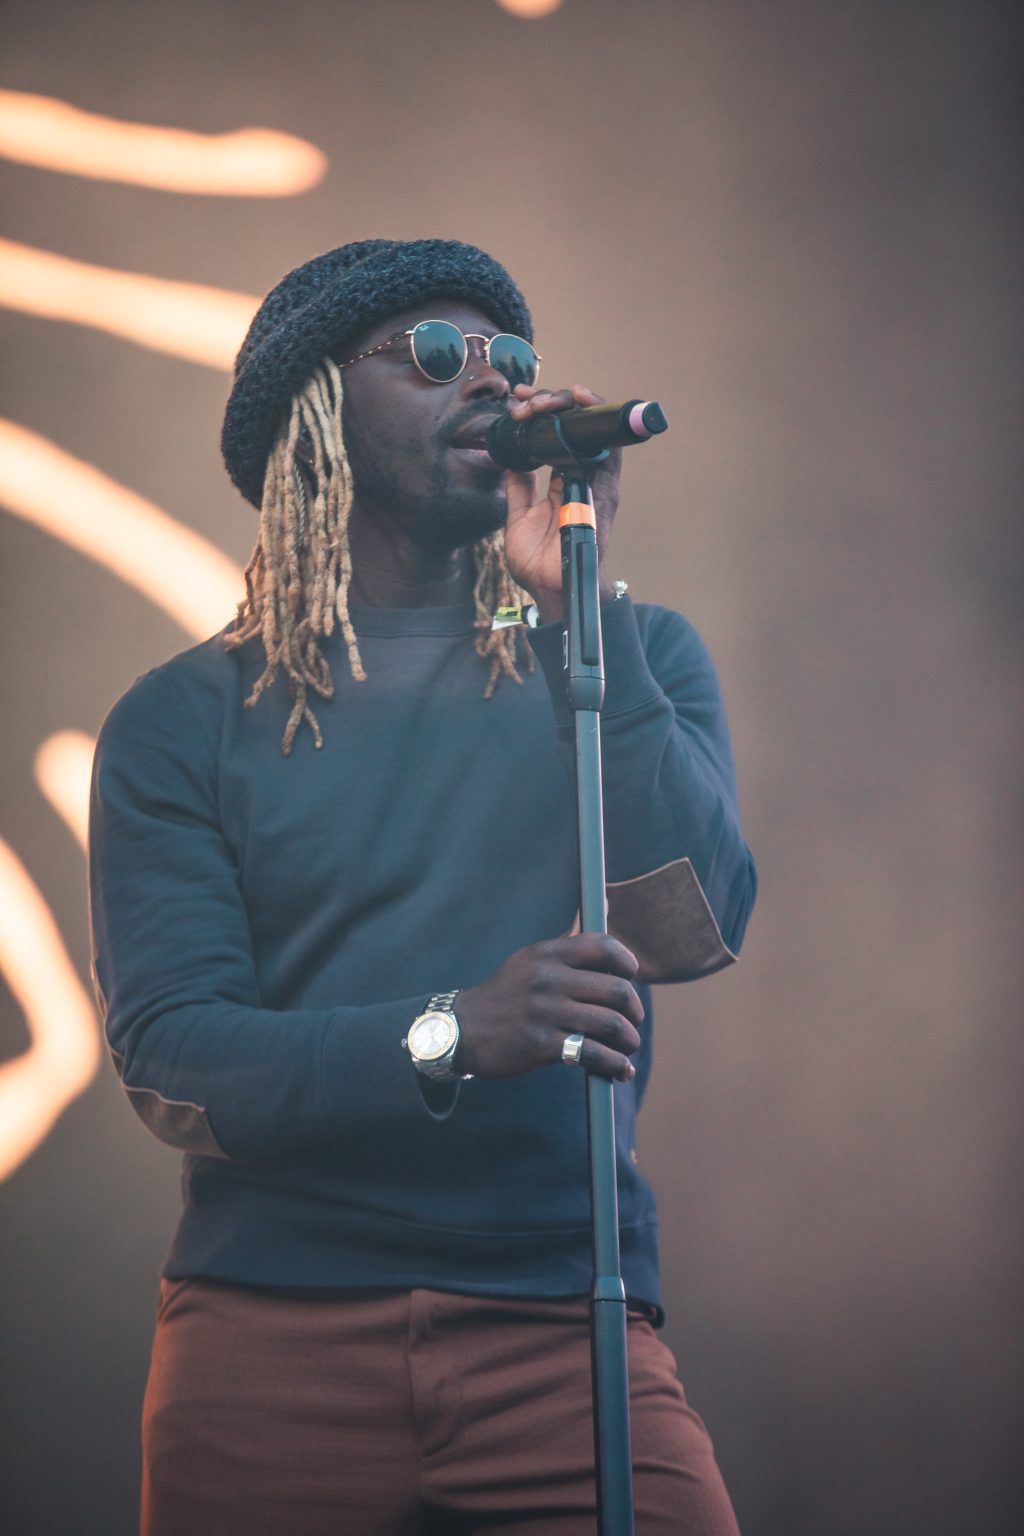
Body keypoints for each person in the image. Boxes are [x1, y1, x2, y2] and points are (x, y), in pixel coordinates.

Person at [88, 238, 757, 1535]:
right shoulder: (184, 721)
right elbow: (174, 1064)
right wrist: (454, 1030)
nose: (495, 388)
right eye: (438, 357)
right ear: (318, 414)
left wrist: (578, 616)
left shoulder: (626, 649)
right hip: (273, 1348)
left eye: (514, 362)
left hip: (568, 1326)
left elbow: (692, 926)